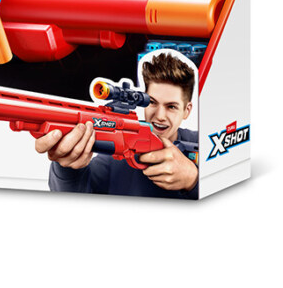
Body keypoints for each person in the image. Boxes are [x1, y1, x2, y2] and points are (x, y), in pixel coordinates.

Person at [40, 52, 199, 198]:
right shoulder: (116, 156)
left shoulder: (202, 143)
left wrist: (193, 179)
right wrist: (66, 165)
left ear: (187, 110)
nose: (160, 116)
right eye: (152, 102)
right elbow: (72, 194)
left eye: (171, 107)